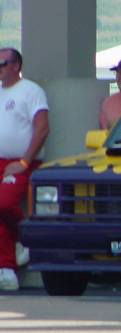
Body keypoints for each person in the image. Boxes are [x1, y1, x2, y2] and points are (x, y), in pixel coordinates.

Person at [0, 48, 49, 291]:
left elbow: (42, 129)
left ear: (16, 65)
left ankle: (26, 239)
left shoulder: (31, 90)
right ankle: (7, 268)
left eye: (2, 62)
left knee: (4, 204)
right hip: (1, 161)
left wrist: (24, 163)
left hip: (22, 162)